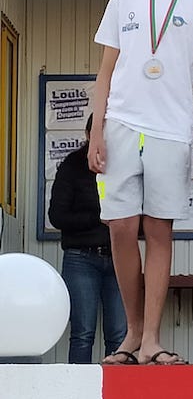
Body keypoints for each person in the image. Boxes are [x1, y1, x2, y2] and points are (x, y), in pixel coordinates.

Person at [89, 0, 193, 364]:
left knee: (158, 230)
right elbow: (106, 71)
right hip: (122, 125)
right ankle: (130, 333)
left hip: (171, 130)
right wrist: (96, 132)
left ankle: (151, 339)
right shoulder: (122, 0)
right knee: (122, 227)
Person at [49, 114, 126, 364]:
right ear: (88, 135)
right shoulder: (72, 165)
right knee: (83, 333)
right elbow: (57, 216)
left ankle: (119, 391)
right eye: (100, 134)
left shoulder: (125, 165)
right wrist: (98, 217)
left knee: (120, 335)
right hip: (81, 258)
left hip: (119, 257)